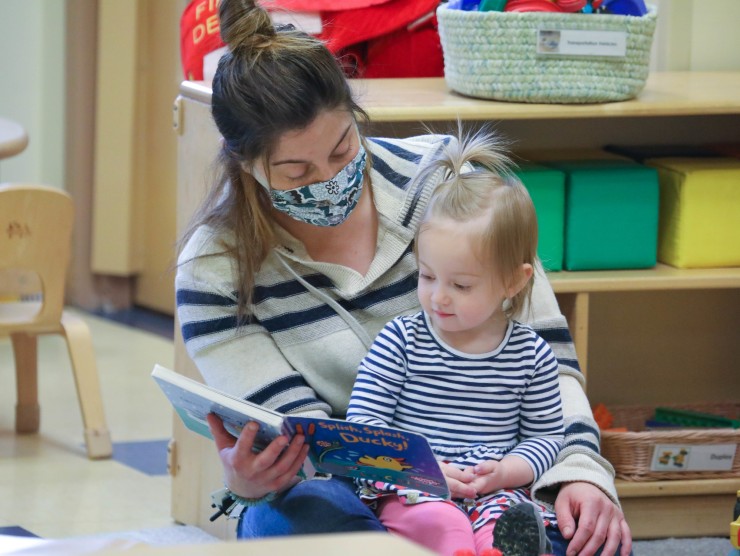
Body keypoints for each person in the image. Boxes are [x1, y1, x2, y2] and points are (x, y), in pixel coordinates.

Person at [175, 0, 632, 554]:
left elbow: (549, 360)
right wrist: (253, 480)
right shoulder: (215, 271)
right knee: (296, 524)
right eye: (296, 171)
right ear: (243, 162)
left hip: (493, 480)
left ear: (355, 113)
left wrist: (582, 471)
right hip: (346, 488)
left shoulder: (450, 185)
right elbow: (307, 442)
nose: (330, 179)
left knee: (577, 538)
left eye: (344, 148)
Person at [345, 129, 564, 556]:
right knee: (441, 523)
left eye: (461, 285)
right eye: (427, 276)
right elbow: (364, 433)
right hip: (413, 489)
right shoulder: (401, 341)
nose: (438, 296)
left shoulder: (531, 355)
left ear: (513, 281)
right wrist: (424, 473)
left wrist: (505, 472)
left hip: (493, 494)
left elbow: (545, 437)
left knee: (513, 522)